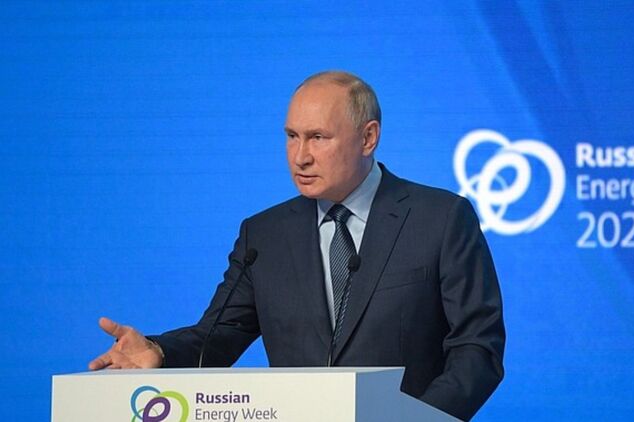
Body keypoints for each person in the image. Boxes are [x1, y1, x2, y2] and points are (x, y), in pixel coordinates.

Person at [89, 71, 505, 421]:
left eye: (318, 137)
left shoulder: (440, 219)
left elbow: (477, 348)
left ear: (368, 138)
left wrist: (419, 420)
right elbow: (217, 336)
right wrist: (160, 352)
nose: (300, 156)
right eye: (292, 136)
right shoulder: (264, 235)